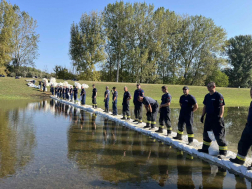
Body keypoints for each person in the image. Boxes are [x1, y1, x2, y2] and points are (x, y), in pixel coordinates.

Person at [198, 82, 227, 157]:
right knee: (206, 134)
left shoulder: (218, 95)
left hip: (216, 117)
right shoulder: (207, 96)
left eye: (209, 86)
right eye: (207, 86)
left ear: (214, 86)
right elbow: (205, 106)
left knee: (219, 135)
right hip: (208, 117)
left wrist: (220, 116)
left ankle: (223, 152)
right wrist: (202, 115)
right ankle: (205, 149)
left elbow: (222, 107)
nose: (208, 88)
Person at [230, 88, 252, 168]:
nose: (251, 96)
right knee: (243, 143)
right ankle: (239, 160)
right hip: (249, 126)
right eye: (251, 94)